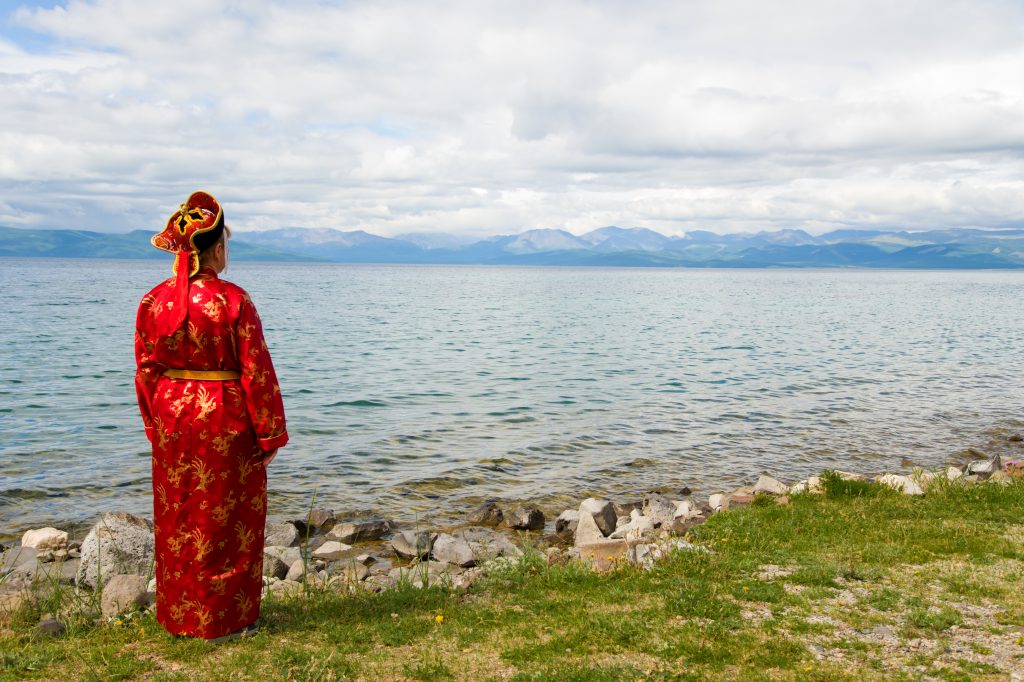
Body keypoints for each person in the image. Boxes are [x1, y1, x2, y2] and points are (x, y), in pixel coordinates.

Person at [134, 191, 288, 641]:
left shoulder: (152, 302)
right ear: (217, 248)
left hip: (172, 416)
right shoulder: (235, 300)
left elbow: (145, 370)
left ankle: (179, 616)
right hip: (224, 416)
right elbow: (257, 371)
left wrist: (155, 423)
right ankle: (228, 619)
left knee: (179, 513)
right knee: (228, 516)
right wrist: (270, 434)